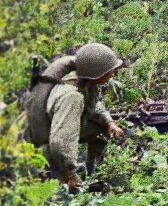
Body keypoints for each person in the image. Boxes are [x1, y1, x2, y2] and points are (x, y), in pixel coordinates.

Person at [24, 43, 126, 192]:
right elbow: (61, 141)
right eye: (109, 71)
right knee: (65, 192)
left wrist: (109, 122)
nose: (112, 74)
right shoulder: (72, 97)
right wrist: (69, 174)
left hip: (57, 130)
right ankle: (57, 181)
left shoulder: (87, 82)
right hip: (46, 144)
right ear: (96, 73)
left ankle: (92, 173)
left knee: (101, 131)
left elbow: (94, 105)